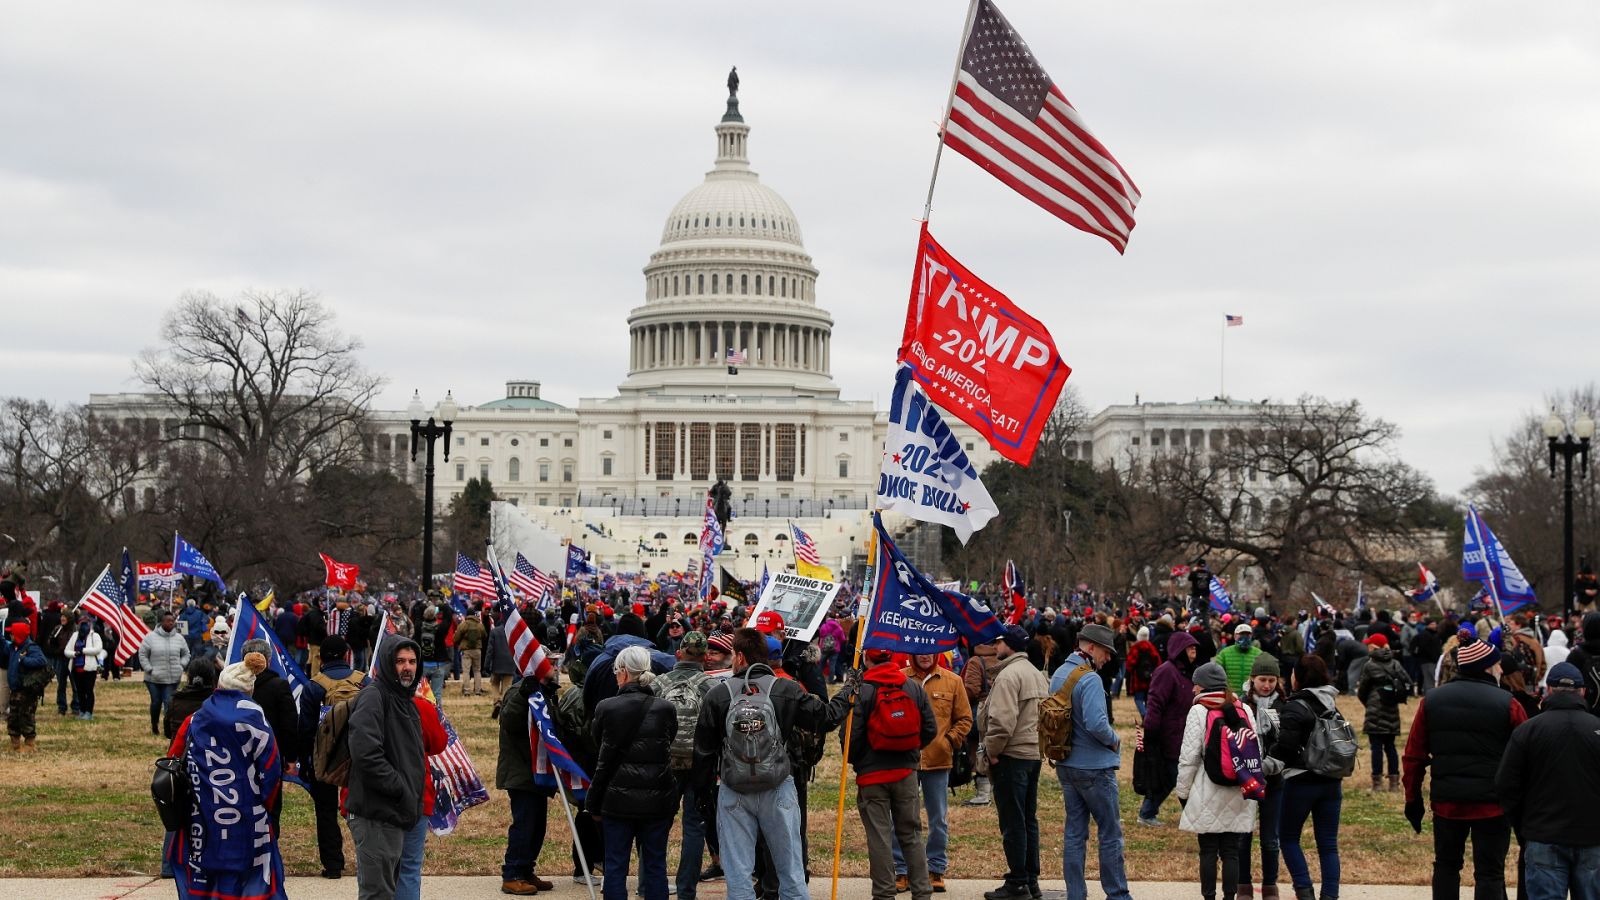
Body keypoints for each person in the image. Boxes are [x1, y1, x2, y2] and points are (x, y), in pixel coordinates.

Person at [692, 627, 856, 900]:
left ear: (740, 657)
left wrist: (703, 795)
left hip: (734, 788)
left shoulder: (718, 694)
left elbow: (703, 752)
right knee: (790, 870)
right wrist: (849, 689)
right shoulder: (785, 689)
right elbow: (826, 718)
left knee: (738, 875)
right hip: (778, 784)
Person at [1403, 629, 1527, 900]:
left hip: (1448, 802)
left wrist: (1412, 798)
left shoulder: (1432, 701)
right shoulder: (1509, 704)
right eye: (1497, 664)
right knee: (1490, 873)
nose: (1500, 669)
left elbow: (1414, 755)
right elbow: (1525, 755)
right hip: (1493, 804)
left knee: (1446, 866)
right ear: (1486, 667)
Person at [166, 653, 286, 899]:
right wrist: (264, 804)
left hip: (201, 814)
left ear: (219, 686)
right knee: (247, 872)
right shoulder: (256, 720)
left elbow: (173, 759)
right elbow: (272, 768)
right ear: (249, 689)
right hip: (246, 815)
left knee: (204, 872)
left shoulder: (195, 719)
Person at [1496, 662, 1600, 900]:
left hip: (1543, 834)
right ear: (1583, 691)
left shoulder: (1528, 730)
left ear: (1549, 690)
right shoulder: (1596, 728)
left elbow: (1506, 784)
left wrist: (1523, 825)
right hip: (1592, 836)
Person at [347, 637, 438, 900]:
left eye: (412, 661)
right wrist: (401, 789)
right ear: (387, 663)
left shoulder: (405, 699)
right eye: (400, 661)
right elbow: (366, 754)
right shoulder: (374, 697)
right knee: (378, 893)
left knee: (392, 887)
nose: (407, 667)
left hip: (396, 812)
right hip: (377, 813)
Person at [588, 645, 679, 900]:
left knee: (615, 864)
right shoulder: (665, 708)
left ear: (625, 673)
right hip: (657, 797)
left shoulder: (606, 708)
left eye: (617, 672)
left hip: (617, 798)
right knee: (655, 864)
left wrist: (593, 800)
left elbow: (600, 751)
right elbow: (669, 741)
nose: (616, 677)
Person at [848, 646, 938, 900]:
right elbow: (930, 728)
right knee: (911, 835)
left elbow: (851, 736)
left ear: (867, 658)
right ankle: (922, 892)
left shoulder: (862, 689)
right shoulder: (912, 687)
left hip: (872, 776)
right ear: (890, 656)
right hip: (906, 772)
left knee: (879, 837)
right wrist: (910, 751)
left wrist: (859, 761)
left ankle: (884, 894)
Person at [1050, 624, 1131, 900]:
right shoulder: (1090, 679)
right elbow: (1097, 723)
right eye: (1106, 652)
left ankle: (1076, 894)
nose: (1108, 658)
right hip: (1094, 768)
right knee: (1110, 833)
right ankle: (1117, 895)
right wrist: (1114, 739)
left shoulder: (1060, 673)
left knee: (1074, 833)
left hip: (1066, 764)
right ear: (1092, 647)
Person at [1176, 662, 1263, 900]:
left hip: (1207, 788)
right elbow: (1255, 751)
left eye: (1195, 684)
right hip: (1239, 787)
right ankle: (1229, 897)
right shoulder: (1244, 708)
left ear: (1203, 686)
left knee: (1208, 850)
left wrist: (1183, 792)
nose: (1193, 689)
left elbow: (1189, 758)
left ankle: (1209, 897)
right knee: (1231, 851)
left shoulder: (1199, 711)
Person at [891, 650, 972, 893]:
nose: (925, 656)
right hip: (906, 760)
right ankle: (901, 870)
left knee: (938, 819)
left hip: (938, 761)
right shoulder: (899, 679)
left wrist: (949, 741)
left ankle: (936, 869)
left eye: (930, 651)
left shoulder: (953, 681)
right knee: (902, 817)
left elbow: (965, 718)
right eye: (921, 652)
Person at [982, 626, 1050, 900]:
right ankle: (1031, 881)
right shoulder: (1036, 674)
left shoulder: (1009, 675)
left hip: (1011, 755)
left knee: (1013, 822)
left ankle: (1018, 882)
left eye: (998, 642)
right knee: (1028, 820)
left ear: (1009, 645)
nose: (995, 647)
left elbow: (1001, 721)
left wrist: (992, 751)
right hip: (1032, 754)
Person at [1270, 655, 1343, 900]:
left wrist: (1267, 757)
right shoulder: (1331, 703)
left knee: (1289, 837)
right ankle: (1330, 895)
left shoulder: (1295, 706)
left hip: (1301, 780)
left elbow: (1286, 747)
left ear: (1299, 677)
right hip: (1331, 780)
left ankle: (1304, 890)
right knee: (1328, 844)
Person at [650, 631, 715, 900]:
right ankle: (687, 892)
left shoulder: (658, 684)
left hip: (664, 764)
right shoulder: (710, 687)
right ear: (705, 657)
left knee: (656, 826)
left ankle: (649, 885)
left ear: (679, 653)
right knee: (694, 828)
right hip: (698, 766)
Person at [307, 635, 367, 879]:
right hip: (361, 753)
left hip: (326, 756)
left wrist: (306, 760)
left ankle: (333, 865)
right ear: (346, 655)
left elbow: (305, 729)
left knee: (325, 811)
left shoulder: (314, 686)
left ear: (320, 658)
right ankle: (368, 861)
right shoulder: (364, 682)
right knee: (367, 810)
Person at [496, 668, 558, 896]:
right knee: (525, 825)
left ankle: (526, 869)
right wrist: (524, 695)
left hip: (537, 772)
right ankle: (512, 874)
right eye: (550, 663)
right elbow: (509, 721)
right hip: (521, 771)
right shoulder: (518, 692)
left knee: (537, 827)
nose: (555, 668)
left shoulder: (545, 692)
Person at [1238, 653, 1286, 900]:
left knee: (1270, 839)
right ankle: (1243, 885)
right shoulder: (1242, 705)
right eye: (1262, 680)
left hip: (1274, 781)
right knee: (1243, 836)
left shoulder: (1283, 706)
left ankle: (1270, 886)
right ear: (1252, 680)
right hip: (1246, 780)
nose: (1267, 685)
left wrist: (1270, 764)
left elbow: (1286, 741)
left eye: (1271, 680)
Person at [1140, 630, 1200, 825]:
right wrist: (1151, 731)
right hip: (1167, 734)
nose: (1193, 651)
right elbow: (1155, 702)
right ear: (1180, 649)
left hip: (1182, 733)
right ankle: (1192, 816)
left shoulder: (1187, 673)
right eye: (1190, 648)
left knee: (1172, 776)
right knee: (1175, 776)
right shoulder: (1167, 671)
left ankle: (1148, 812)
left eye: (1194, 648)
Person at [1355, 633, 1409, 792]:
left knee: (1376, 748)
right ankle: (1394, 783)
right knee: (1391, 747)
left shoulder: (1370, 665)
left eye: (1369, 644)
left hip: (1375, 709)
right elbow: (1407, 681)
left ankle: (1377, 783)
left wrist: (1369, 703)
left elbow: (1362, 690)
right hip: (1392, 707)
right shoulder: (1395, 663)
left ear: (1374, 646)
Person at [962, 635, 1000, 806]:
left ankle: (983, 794)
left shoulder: (976, 661)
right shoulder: (1003, 657)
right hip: (1001, 711)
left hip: (981, 712)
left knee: (979, 752)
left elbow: (972, 690)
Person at [140, 611, 190, 736]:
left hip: (172, 678)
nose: (171, 623)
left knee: (169, 702)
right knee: (156, 702)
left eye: (172, 621)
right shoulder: (150, 637)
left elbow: (186, 654)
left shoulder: (179, 638)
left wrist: (181, 665)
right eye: (168, 621)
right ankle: (154, 724)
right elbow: (143, 654)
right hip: (153, 678)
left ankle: (168, 729)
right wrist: (149, 668)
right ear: (161, 622)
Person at [3, 620, 49, 751]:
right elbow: (3, 645)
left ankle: (30, 744)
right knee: (13, 718)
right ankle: (15, 743)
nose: (10, 635)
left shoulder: (31, 648)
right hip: (15, 690)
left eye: (12, 633)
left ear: (19, 635)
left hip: (27, 691)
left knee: (26, 716)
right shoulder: (13, 647)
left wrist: (24, 660)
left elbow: (42, 661)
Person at [66, 615, 106, 720]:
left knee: (89, 691)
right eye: (81, 623)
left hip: (90, 668)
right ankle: (82, 711)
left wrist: (83, 651)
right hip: (76, 668)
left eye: (86, 623)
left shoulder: (94, 636)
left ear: (90, 624)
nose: (83, 625)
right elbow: (67, 651)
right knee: (80, 691)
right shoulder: (75, 635)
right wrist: (74, 653)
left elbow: (98, 649)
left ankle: (89, 712)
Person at [1125, 626, 1161, 719]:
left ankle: (1145, 716)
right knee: (1147, 700)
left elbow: (1129, 664)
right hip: (1150, 678)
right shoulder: (1151, 647)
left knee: (1138, 699)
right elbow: (1158, 662)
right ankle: (1147, 718)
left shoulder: (1135, 648)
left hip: (1138, 678)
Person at [1216, 622, 1263, 693]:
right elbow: (1217, 675)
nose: (1245, 637)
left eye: (1247, 634)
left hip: (1251, 696)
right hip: (1230, 696)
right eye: (1241, 634)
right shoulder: (1224, 653)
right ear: (1235, 636)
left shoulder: (1259, 654)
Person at [454, 608, 487, 696]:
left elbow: (456, 638)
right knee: (477, 671)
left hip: (466, 650)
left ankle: (467, 691)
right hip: (477, 650)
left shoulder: (463, 625)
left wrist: (460, 642)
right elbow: (485, 636)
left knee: (466, 671)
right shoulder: (479, 625)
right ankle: (478, 690)